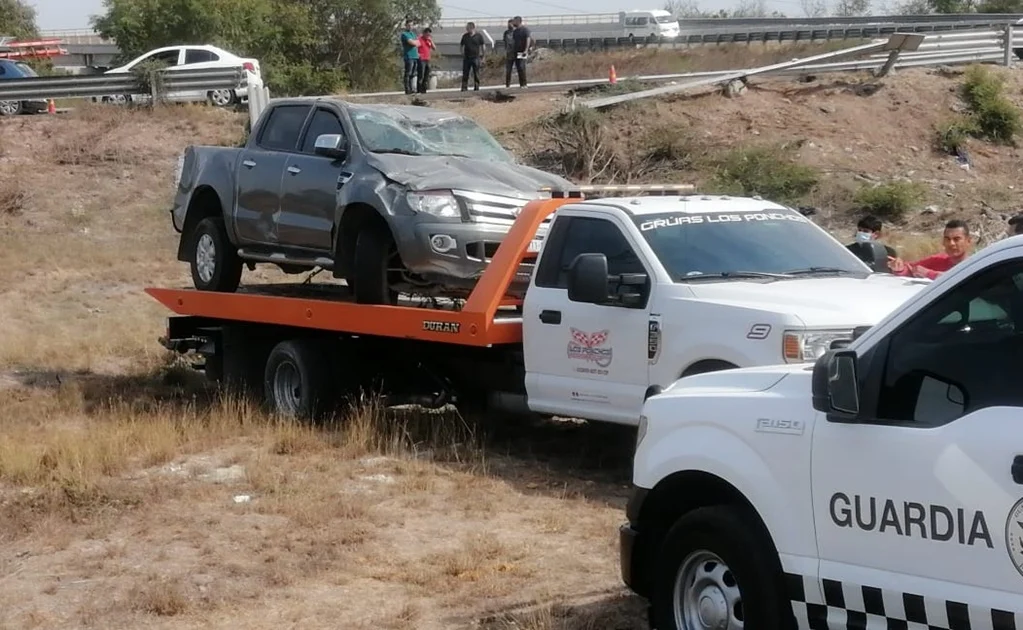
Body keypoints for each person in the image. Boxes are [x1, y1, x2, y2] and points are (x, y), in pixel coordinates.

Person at [889, 219, 973, 280]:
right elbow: (912, 269)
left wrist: (928, 274)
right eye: (947, 239)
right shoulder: (938, 260)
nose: (951, 243)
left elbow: (956, 279)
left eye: (956, 239)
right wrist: (900, 268)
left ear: (968, 241)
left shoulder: (975, 265)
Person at [459, 22, 486, 92]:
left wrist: (483, 56)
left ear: (472, 28)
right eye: (466, 28)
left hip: (475, 57)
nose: (467, 30)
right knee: (465, 73)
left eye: (468, 28)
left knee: (476, 73)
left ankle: (476, 87)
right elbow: (461, 45)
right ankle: (464, 87)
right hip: (467, 58)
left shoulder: (479, 36)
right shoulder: (465, 36)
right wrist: (462, 53)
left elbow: (483, 46)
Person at [508, 15, 532, 88]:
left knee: (522, 67)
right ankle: (521, 84)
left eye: (514, 21)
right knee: (518, 67)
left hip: (522, 51)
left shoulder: (525, 30)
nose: (513, 23)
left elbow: (528, 39)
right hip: (516, 51)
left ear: (518, 21)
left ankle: (524, 84)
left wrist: (526, 50)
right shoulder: (515, 31)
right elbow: (514, 42)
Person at [399, 20, 420, 95]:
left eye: (411, 25)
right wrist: (414, 42)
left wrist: (415, 42)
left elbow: (418, 43)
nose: (410, 26)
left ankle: (412, 89)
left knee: (413, 74)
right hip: (409, 56)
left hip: (415, 56)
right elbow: (412, 42)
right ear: (406, 26)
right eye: (409, 25)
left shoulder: (413, 34)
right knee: (408, 73)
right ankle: (407, 90)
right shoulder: (404, 34)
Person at [416, 27, 435, 94]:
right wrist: (418, 54)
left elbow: (434, 48)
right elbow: (415, 47)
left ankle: (424, 90)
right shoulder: (420, 39)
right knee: (421, 75)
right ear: (424, 33)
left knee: (426, 75)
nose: (428, 34)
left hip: (427, 59)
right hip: (421, 59)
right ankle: (419, 90)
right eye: (426, 33)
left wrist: (430, 40)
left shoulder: (428, 40)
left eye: (429, 33)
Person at [502, 19, 516, 88]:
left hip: (516, 52)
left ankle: (522, 84)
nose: (508, 25)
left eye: (510, 24)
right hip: (509, 53)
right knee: (508, 70)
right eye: (508, 24)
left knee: (520, 68)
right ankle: (508, 84)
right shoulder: (506, 33)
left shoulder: (517, 32)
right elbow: (505, 42)